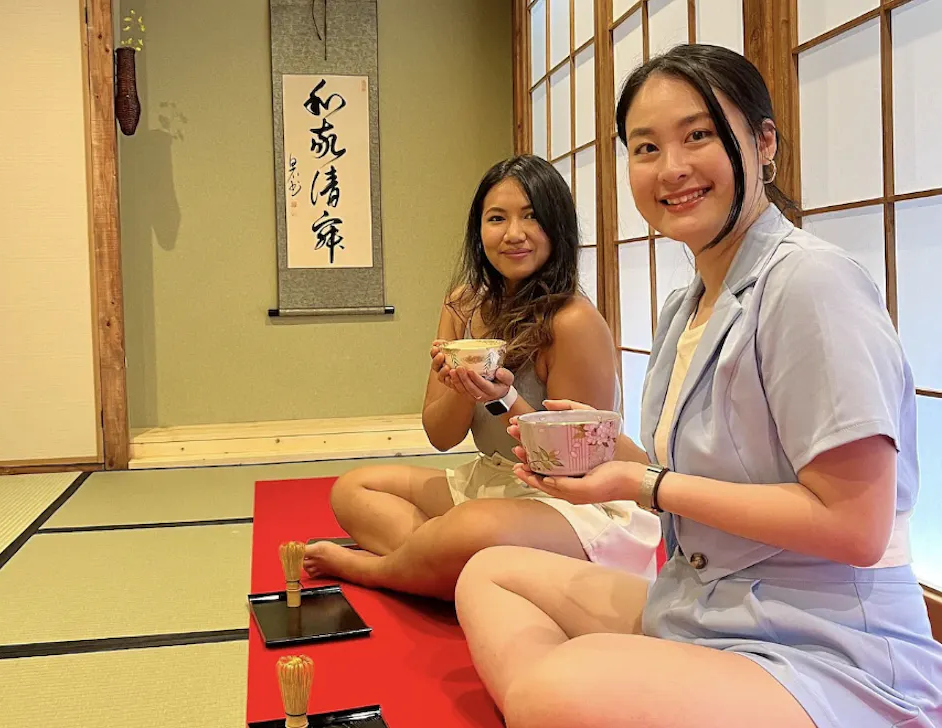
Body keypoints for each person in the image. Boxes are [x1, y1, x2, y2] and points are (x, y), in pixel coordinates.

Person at [454, 44, 942, 728]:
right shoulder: (684, 305)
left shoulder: (809, 284)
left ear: (763, 142)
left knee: (553, 690)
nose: (672, 169)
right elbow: (678, 472)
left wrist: (642, 486)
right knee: (489, 572)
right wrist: (599, 451)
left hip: (827, 650)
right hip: (701, 603)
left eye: (699, 135)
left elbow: (855, 527)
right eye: (646, 147)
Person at [303, 154, 661, 600]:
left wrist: (504, 399)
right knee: (354, 490)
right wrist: (461, 389)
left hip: (569, 501)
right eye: (497, 218)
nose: (513, 234)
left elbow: (575, 464)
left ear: (558, 228)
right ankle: (458, 567)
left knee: (469, 526)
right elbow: (440, 437)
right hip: (493, 477)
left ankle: (385, 571)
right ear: (479, 231)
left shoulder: (572, 321)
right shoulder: (462, 306)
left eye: (531, 217)